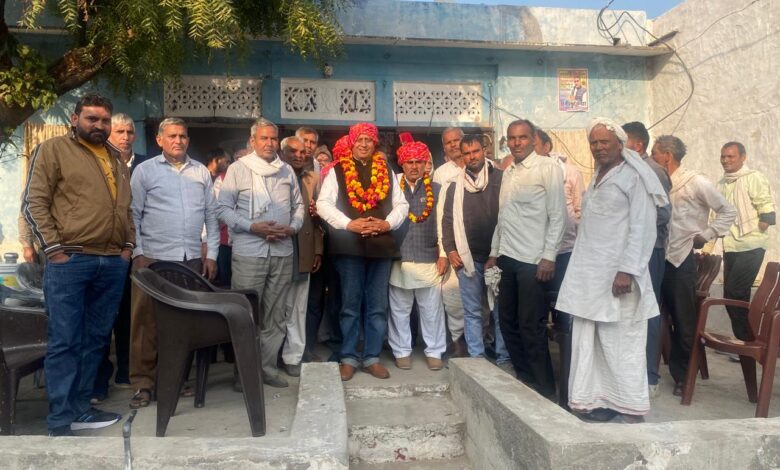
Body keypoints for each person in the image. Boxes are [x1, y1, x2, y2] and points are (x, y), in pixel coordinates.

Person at [23, 93, 133, 436]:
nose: (99, 125)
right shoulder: (54, 150)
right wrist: (54, 250)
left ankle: (81, 409)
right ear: (75, 119)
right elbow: (34, 202)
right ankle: (60, 420)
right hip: (70, 260)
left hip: (112, 261)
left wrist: (128, 246)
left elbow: (126, 208)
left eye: (104, 120)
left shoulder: (115, 157)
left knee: (96, 340)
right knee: (66, 340)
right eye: (92, 118)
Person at [557, 118, 668, 423]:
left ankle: (630, 409)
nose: (598, 147)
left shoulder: (634, 177)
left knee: (620, 343)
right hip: (591, 277)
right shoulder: (598, 176)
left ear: (620, 144)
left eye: (604, 142)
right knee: (592, 342)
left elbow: (643, 228)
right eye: (594, 142)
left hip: (619, 278)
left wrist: (627, 271)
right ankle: (597, 401)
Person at [129, 117, 220, 408]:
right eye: (172, 136)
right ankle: (143, 385)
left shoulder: (200, 172)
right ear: (159, 140)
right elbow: (133, 215)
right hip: (153, 258)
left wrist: (212, 254)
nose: (178, 141)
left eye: (182, 136)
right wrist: (138, 253)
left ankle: (175, 379)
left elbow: (211, 216)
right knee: (146, 325)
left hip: (190, 259)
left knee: (182, 324)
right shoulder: (145, 171)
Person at [317, 123, 409, 381]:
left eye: (369, 140)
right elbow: (323, 204)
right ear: (352, 143)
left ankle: (371, 358)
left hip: (380, 246)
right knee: (350, 304)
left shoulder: (386, 169)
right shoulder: (337, 170)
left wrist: (387, 223)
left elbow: (401, 204)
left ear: (375, 143)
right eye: (360, 140)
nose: (364, 144)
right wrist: (349, 224)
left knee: (378, 306)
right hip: (349, 246)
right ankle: (348, 357)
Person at [217, 118, 304, 388]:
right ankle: (244, 375)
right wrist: (252, 226)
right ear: (252, 141)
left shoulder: (286, 170)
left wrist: (292, 228)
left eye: (273, 138)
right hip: (249, 253)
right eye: (264, 138)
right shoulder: (238, 169)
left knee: (275, 316)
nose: (269, 143)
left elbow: (298, 206)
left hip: (282, 251)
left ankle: (267, 370)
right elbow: (223, 209)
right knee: (245, 316)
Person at [651, 135, 736, 396]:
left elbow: (728, 211)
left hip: (681, 258)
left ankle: (682, 377)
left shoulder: (695, 182)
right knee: (651, 317)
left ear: (667, 155)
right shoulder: (656, 181)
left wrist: (707, 234)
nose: (651, 158)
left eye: (654, 153)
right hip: (656, 257)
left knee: (683, 321)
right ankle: (648, 374)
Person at [487, 120, 566, 396]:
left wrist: (549, 256)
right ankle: (525, 378)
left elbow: (558, 215)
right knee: (507, 322)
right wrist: (494, 252)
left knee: (531, 325)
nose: (516, 143)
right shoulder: (509, 171)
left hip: (534, 260)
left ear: (533, 139)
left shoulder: (547, 168)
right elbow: (503, 216)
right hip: (507, 256)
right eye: (512, 138)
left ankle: (545, 388)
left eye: (522, 137)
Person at [442, 134, 510, 368]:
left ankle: (503, 358)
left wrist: (497, 253)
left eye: (476, 151)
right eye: (467, 153)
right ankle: (477, 360)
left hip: (498, 257)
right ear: (461, 157)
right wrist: (451, 250)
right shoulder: (455, 185)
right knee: (472, 311)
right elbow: (447, 220)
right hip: (467, 258)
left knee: (500, 311)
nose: (472, 157)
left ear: (484, 151)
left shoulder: (500, 178)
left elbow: (509, 214)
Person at [91, 113, 144, 404]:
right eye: (119, 131)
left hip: (133, 251)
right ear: (109, 133)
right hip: (101, 251)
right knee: (101, 318)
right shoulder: (96, 162)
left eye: (129, 132)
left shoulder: (146, 164)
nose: (124, 137)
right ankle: (99, 379)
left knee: (128, 315)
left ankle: (126, 370)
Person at [533, 129, 585, 405]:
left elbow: (580, 209)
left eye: (533, 144)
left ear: (546, 146)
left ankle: (569, 382)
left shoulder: (570, 172)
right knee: (536, 316)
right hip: (535, 252)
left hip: (565, 252)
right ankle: (543, 378)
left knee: (565, 317)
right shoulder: (527, 173)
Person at [388, 135, 448, 371]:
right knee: (399, 309)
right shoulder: (392, 187)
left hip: (428, 257)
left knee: (431, 310)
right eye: (409, 162)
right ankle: (401, 351)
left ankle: (434, 351)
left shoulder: (437, 189)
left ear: (425, 165)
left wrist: (443, 254)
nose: (414, 166)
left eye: (419, 162)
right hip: (399, 258)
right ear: (402, 164)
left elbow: (443, 222)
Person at [622, 121, 672, 397]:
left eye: (623, 141)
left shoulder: (653, 170)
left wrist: (634, 225)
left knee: (648, 310)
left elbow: (663, 213)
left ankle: (650, 377)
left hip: (650, 250)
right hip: (628, 251)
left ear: (638, 144)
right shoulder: (624, 169)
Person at [717, 142, 775, 342]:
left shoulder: (753, 177)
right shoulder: (722, 183)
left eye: (731, 156)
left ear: (743, 158)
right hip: (731, 245)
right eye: (723, 156)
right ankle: (746, 341)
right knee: (730, 296)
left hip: (751, 245)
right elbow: (717, 214)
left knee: (735, 291)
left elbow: (766, 205)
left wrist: (761, 225)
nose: (726, 160)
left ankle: (749, 342)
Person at [278, 136, 324, 377]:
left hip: (303, 249)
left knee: (298, 307)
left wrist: (317, 249)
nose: (299, 155)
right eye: (293, 151)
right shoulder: (274, 175)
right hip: (276, 249)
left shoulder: (312, 179)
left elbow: (317, 218)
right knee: (275, 307)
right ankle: (271, 355)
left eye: (303, 152)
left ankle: (293, 356)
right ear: (282, 152)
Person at [432, 127, 467, 357]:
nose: (454, 145)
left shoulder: (485, 167)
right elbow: (439, 215)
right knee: (453, 298)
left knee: (483, 300)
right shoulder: (441, 174)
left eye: (457, 140)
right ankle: (458, 343)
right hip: (452, 246)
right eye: (448, 142)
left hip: (479, 245)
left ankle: (482, 342)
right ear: (444, 147)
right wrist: (444, 252)